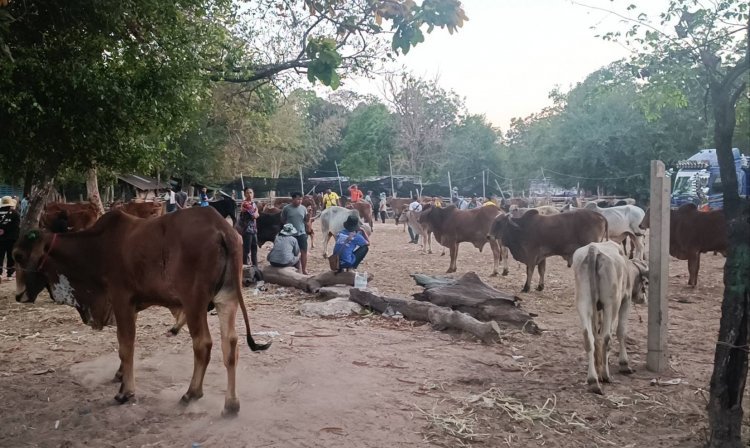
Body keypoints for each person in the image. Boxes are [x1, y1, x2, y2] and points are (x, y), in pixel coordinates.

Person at [281, 192, 309, 274]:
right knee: (292, 253)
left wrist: (308, 217)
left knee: (304, 252)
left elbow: (306, 221)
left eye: (301, 199)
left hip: (302, 233)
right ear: (293, 199)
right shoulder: (286, 208)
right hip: (291, 234)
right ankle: (294, 269)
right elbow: (283, 220)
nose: (300, 201)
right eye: (298, 199)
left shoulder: (304, 208)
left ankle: (304, 269)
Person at [238, 188, 260, 266]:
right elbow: (254, 215)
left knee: (254, 249)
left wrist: (256, 211)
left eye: (251, 192)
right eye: (247, 193)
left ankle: (255, 266)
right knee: (246, 250)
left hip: (253, 230)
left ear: (253, 194)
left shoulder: (253, 203)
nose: (249, 194)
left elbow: (256, 211)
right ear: (244, 194)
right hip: (247, 230)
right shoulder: (245, 204)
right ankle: (245, 267)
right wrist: (257, 212)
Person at [0, 196, 20, 281]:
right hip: (11, 239)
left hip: (0, 239)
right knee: (10, 256)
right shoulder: (15, 213)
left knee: (0, 256)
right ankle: (9, 274)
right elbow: (16, 227)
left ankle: (0, 273)